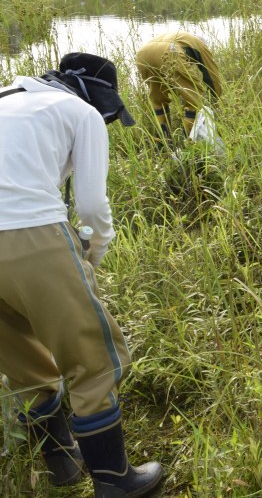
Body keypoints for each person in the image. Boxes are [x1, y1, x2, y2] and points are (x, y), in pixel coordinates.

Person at [0, 53, 164, 495]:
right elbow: (91, 208)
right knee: (91, 361)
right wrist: (89, 258)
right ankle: (114, 481)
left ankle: (62, 463)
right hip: (33, 237)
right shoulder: (80, 111)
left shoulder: (6, 100)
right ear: (97, 95)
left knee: (25, 363)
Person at [135, 31, 223, 143]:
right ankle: (188, 140)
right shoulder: (201, 45)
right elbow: (212, 76)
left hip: (142, 54)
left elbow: (172, 80)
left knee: (158, 99)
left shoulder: (181, 38)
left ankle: (163, 141)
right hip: (170, 51)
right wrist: (214, 100)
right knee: (194, 97)